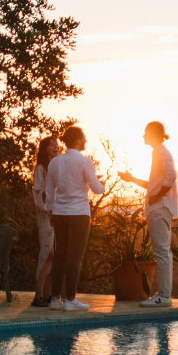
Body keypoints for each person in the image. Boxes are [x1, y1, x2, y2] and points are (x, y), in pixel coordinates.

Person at [45, 126, 104, 311]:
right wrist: (100, 183)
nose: (86, 140)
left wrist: (50, 211)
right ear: (77, 140)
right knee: (74, 257)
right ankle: (70, 299)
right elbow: (96, 189)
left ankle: (55, 299)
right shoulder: (85, 162)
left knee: (60, 255)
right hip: (79, 214)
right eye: (84, 137)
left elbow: (49, 190)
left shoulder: (55, 162)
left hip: (60, 214)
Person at [119, 121, 178, 307]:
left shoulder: (160, 152)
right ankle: (165, 295)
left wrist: (157, 196)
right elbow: (154, 184)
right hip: (160, 207)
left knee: (161, 252)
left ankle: (164, 296)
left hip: (159, 207)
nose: (143, 135)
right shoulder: (159, 152)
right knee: (163, 252)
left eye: (145, 132)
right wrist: (132, 179)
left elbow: (171, 175)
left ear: (152, 134)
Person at [31, 136, 60, 307]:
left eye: (56, 143)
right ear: (44, 149)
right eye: (51, 144)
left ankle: (48, 294)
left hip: (56, 215)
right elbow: (38, 192)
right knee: (47, 252)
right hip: (46, 216)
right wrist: (47, 210)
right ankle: (38, 295)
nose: (55, 146)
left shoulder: (55, 168)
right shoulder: (41, 169)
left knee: (53, 255)